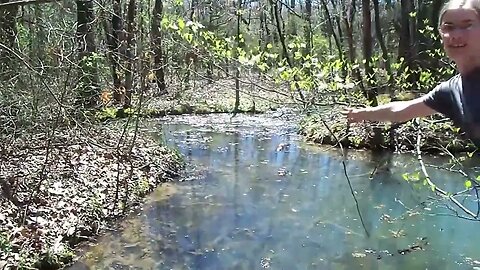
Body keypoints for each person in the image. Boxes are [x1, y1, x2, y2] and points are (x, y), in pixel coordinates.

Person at [343, 0, 480, 146]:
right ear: (440, 33)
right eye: (448, 27)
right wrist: (362, 114)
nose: (456, 35)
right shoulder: (451, 90)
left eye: (467, 25)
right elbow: (400, 111)